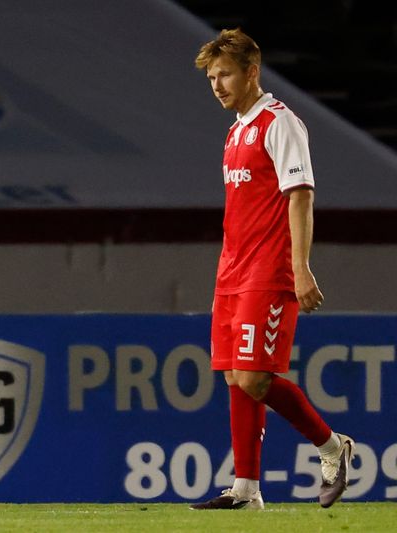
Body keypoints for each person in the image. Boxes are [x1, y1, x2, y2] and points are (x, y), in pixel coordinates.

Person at [190, 28, 354, 510]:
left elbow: (300, 197)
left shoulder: (279, 123)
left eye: (225, 74)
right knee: (234, 376)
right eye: (212, 77)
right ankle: (245, 490)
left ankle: (332, 448)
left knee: (255, 377)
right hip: (233, 270)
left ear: (252, 73)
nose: (217, 84)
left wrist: (300, 267)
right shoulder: (237, 129)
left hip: (269, 268)